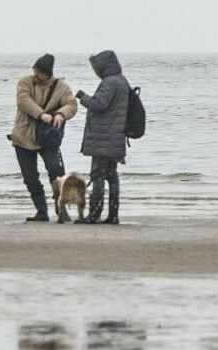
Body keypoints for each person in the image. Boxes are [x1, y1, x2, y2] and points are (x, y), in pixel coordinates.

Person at [9, 53, 78, 222]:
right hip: (23, 137)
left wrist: (62, 114)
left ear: (48, 73)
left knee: (57, 173)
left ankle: (61, 209)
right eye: (35, 70)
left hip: (48, 138)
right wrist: (41, 115)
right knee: (30, 177)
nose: (36, 74)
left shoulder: (61, 87)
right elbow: (23, 101)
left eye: (39, 71)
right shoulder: (25, 82)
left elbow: (72, 104)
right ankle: (41, 210)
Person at [75, 50, 130, 224]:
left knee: (98, 175)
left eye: (97, 68)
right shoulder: (121, 81)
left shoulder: (109, 82)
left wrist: (82, 97)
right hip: (115, 137)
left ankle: (94, 214)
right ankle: (113, 215)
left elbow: (99, 104)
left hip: (103, 138)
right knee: (112, 175)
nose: (96, 71)